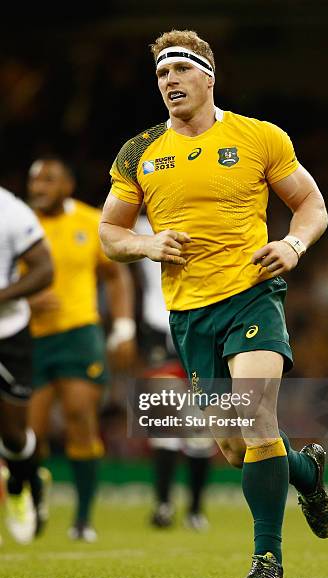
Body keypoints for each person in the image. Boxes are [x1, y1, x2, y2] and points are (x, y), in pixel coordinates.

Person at [99, 30, 328, 578]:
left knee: (255, 423)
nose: (170, 82)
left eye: (180, 71)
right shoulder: (140, 151)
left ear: (208, 75)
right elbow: (109, 233)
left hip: (252, 295)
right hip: (189, 314)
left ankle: (267, 560)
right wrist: (147, 244)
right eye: (161, 75)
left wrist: (293, 245)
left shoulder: (259, 137)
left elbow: (311, 205)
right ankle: (307, 472)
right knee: (233, 447)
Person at [26, 157, 136, 542]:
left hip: (79, 334)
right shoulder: (19, 225)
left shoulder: (91, 222)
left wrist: (122, 328)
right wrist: (23, 303)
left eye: (48, 180)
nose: (38, 187)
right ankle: (34, 500)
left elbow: (115, 275)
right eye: (34, 181)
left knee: (80, 420)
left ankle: (83, 519)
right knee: (30, 436)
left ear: (67, 186)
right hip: (30, 338)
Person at [135, 212, 215, 531]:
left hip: (203, 325)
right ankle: (164, 505)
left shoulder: (208, 215)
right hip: (159, 325)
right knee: (165, 424)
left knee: (198, 427)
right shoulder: (140, 225)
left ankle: (195, 509)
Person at [0, 185, 53, 543]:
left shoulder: (9, 208)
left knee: (14, 435)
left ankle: (24, 482)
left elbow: (44, 270)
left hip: (7, 332)